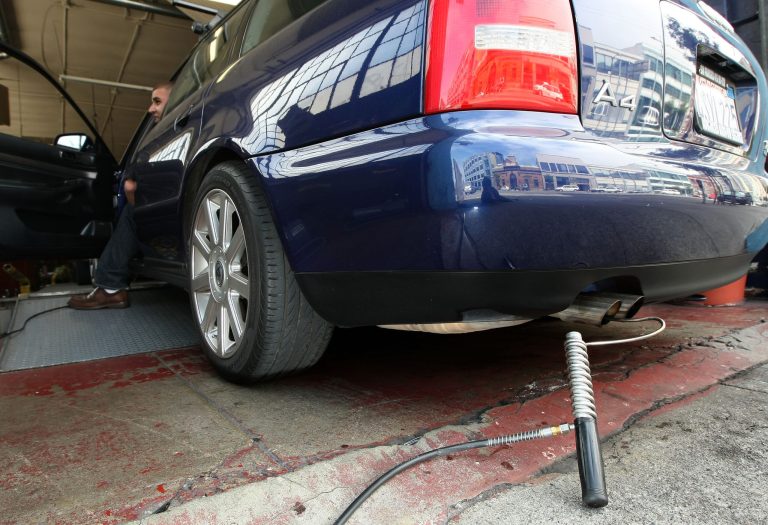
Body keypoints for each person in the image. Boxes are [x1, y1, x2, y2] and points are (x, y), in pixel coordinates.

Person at [67, 82, 172, 310]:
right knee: (132, 212)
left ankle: (110, 287)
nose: (150, 109)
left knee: (132, 213)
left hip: (168, 214)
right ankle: (109, 285)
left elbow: (140, 190)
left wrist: (132, 192)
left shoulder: (169, 134)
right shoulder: (160, 134)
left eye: (157, 101)